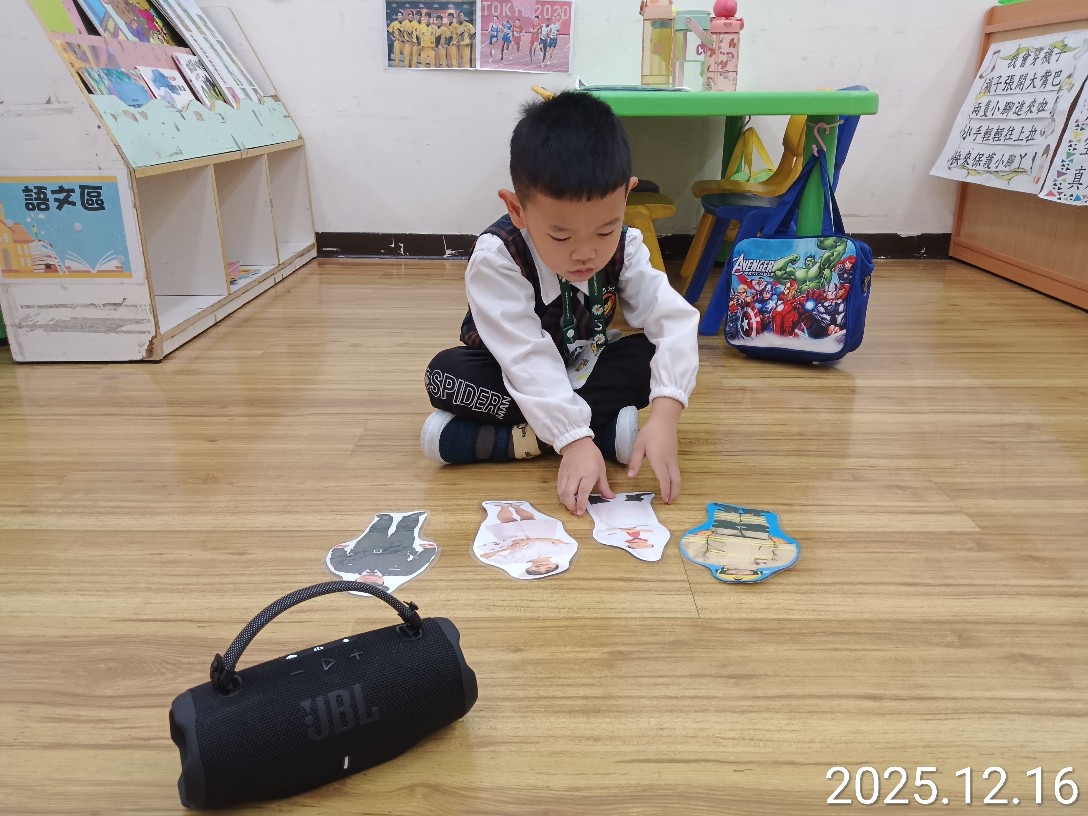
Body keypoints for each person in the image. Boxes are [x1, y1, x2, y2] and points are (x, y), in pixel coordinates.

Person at [421, 92, 699, 515]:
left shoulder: (627, 246)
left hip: (581, 365)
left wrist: (665, 416)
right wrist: (574, 439)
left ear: (626, 196)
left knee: (650, 357)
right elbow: (524, 358)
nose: (585, 253)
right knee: (446, 375)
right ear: (517, 209)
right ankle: (595, 432)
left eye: (605, 231)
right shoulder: (498, 257)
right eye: (561, 236)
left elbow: (674, 321)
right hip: (508, 372)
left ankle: (506, 440)